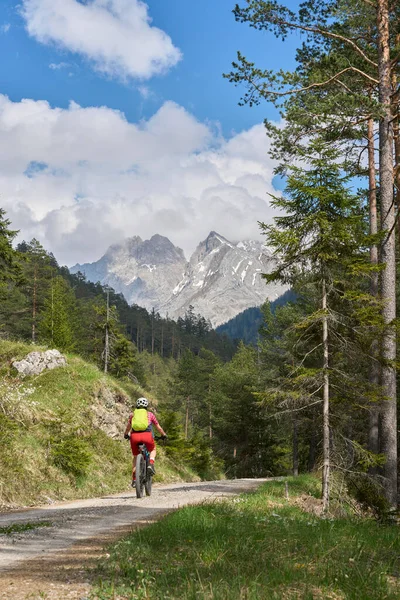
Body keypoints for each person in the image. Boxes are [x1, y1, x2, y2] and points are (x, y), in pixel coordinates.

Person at [124, 397, 167, 486]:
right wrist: (164, 435)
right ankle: (150, 464)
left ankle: (135, 480)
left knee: (135, 457)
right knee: (153, 449)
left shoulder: (133, 415)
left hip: (134, 437)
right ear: (146, 406)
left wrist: (125, 434)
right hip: (147, 436)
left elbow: (128, 427)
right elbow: (158, 427)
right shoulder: (150, 415)